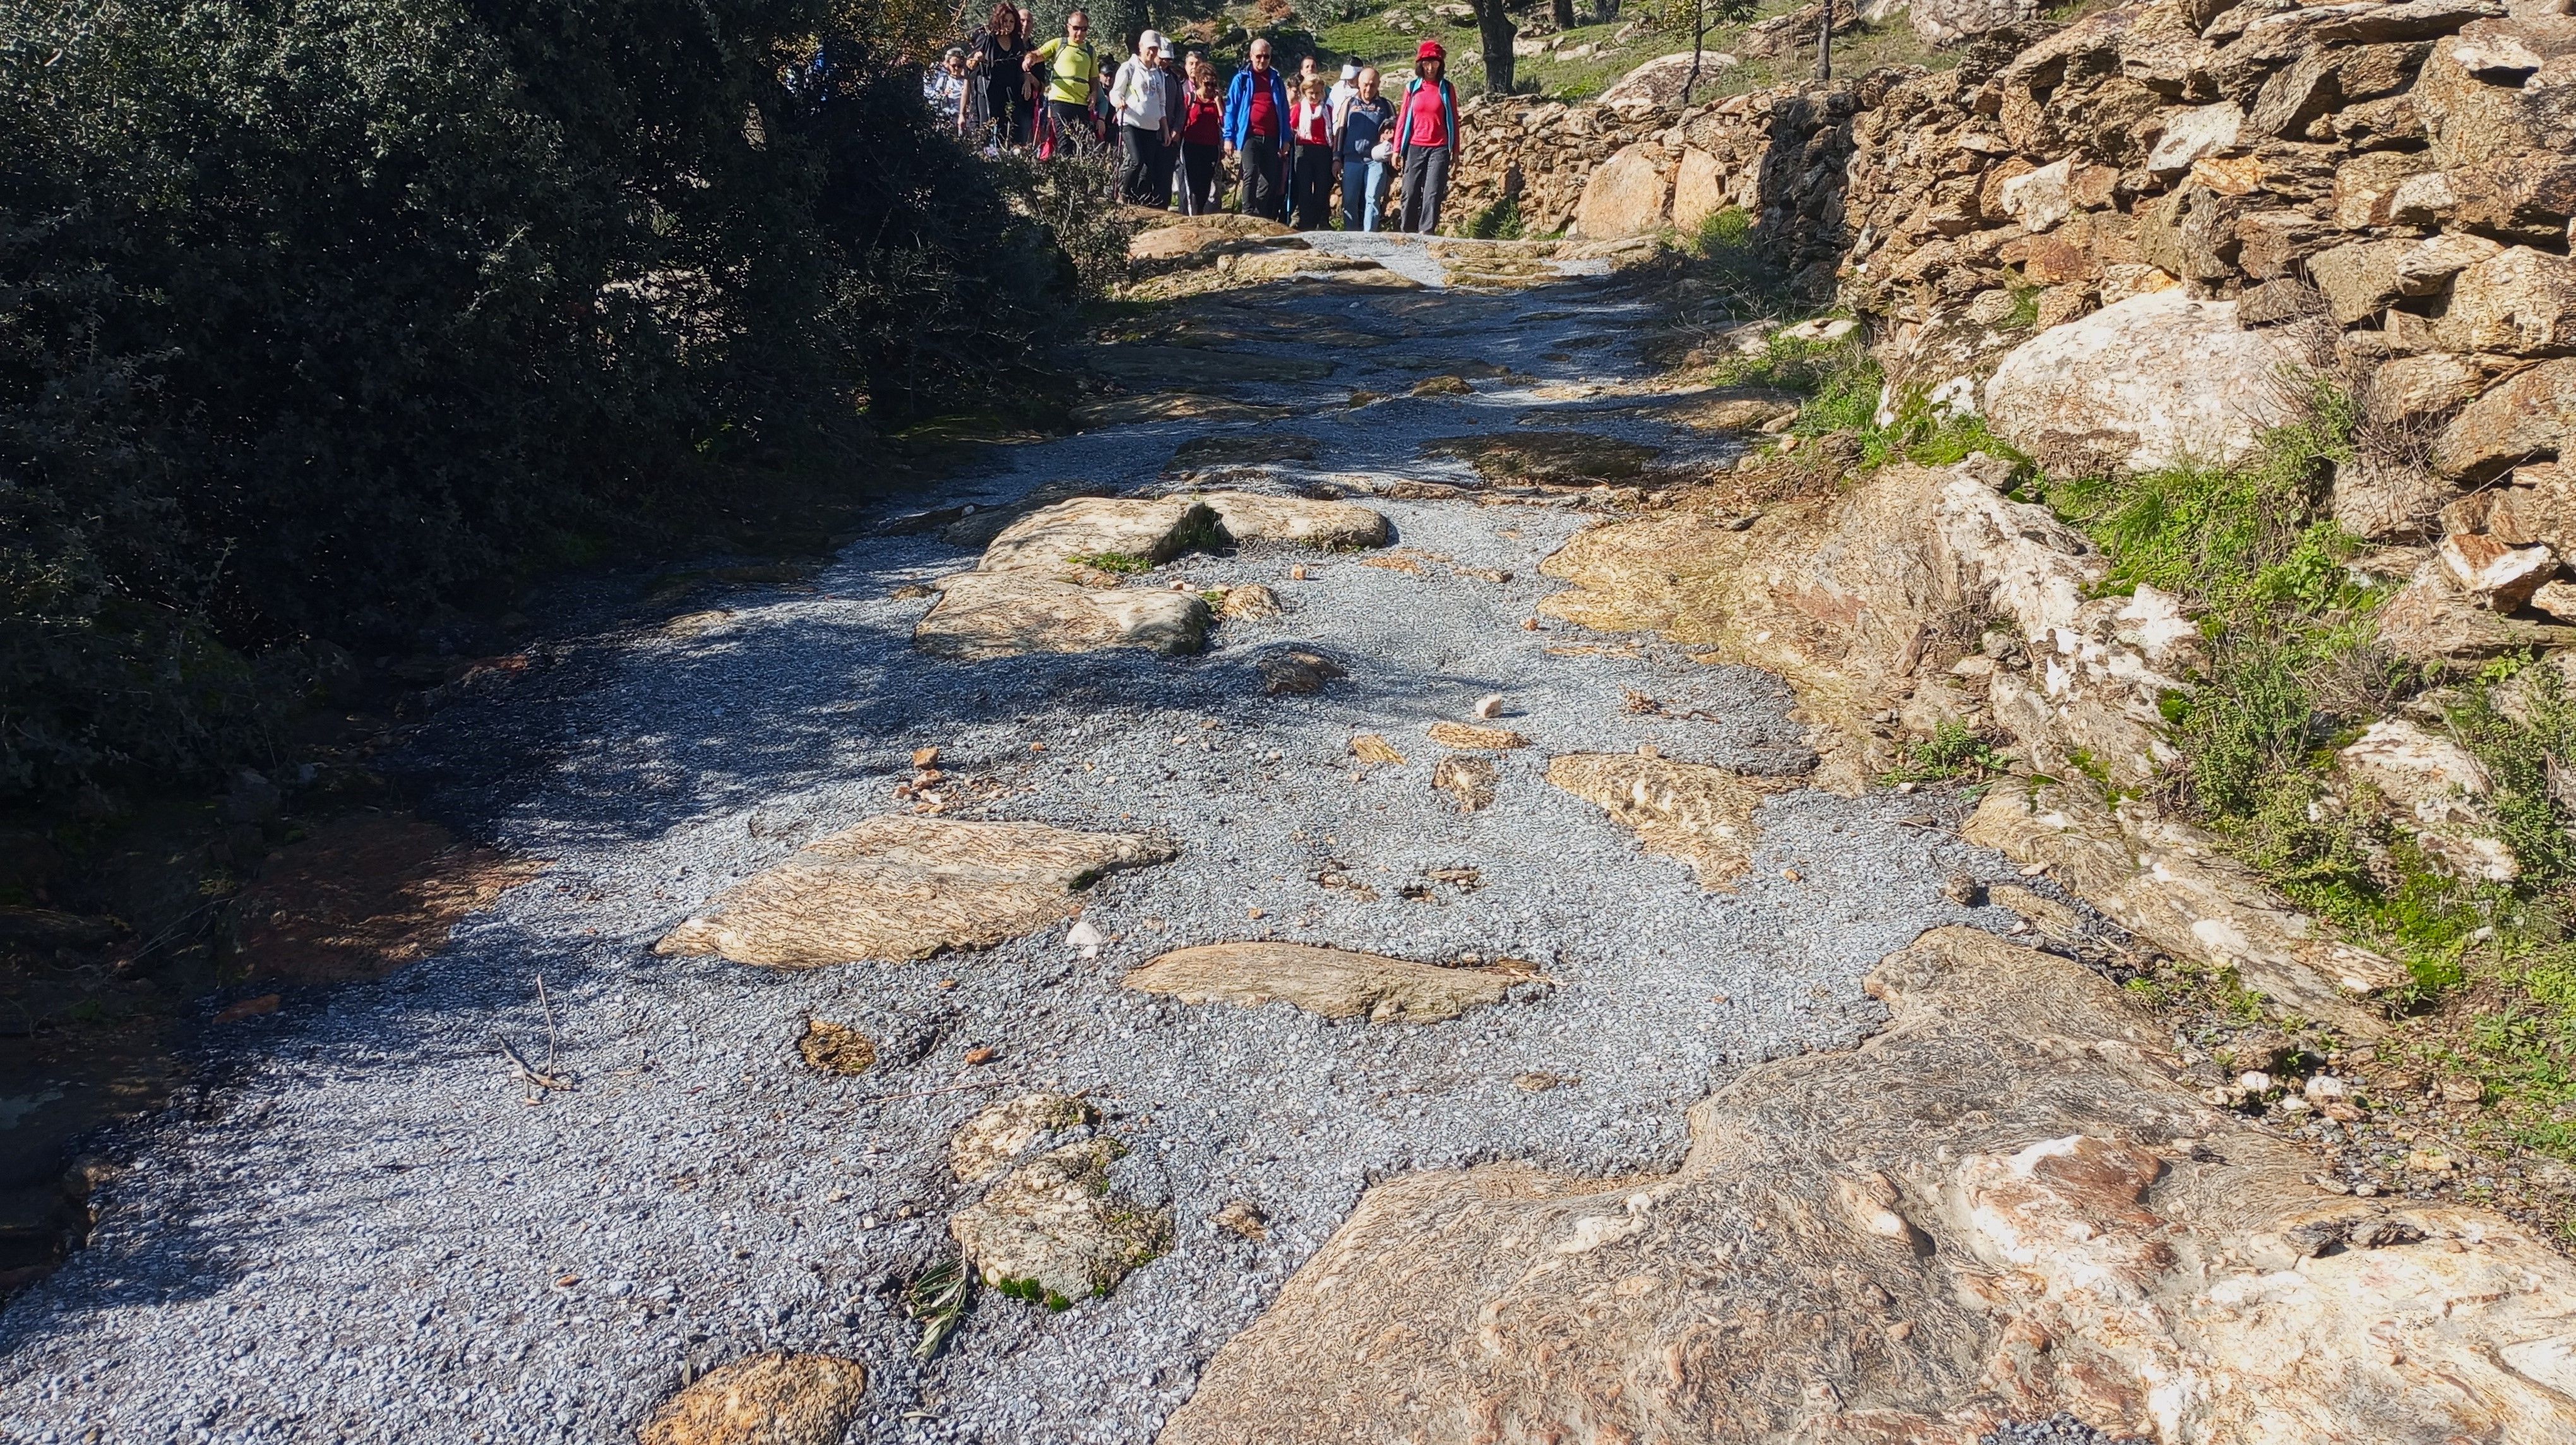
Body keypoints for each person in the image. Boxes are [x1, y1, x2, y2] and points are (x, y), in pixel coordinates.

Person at [1224, 39, 1292, 221]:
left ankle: (1260, 214)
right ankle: (1247, 212)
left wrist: (1286, 138)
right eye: (1259, 56)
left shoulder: (1276, 80)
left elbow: (1284, 110)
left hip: (1271, 136)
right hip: (1250, 135)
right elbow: (1232, 109)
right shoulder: (1242, 79)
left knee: (1270, 180)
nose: (1262, 60)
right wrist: (1228, 137)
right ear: (1251, 56)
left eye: (1266, 56)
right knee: (1251, 173)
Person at [1396, 39, 1460, 234]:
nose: (1430, 67)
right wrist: (1397, 149)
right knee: (1410, 191)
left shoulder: (1447, 89)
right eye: (1426, 63)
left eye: (1434, 62)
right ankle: (1408, 231)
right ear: (1420, 64)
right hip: (1415, 145)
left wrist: (1455, 151)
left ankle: (1427, 231)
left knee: (1432, 192)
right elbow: (1403, 118)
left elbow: (1454, 121)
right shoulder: (1412, 88)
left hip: (1439, 147)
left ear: (1440, 64)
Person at [1029, 10, 1104, 157]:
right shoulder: (1059, 44)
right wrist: (1029, 60)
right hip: (1060, 101)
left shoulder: (1090, 51)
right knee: (1064, 142)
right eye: (1076, 28)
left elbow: (1094, 77)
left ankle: (1075, 177)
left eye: (1084, 29)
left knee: (1080, 146)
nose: (1080, 33)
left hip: (1082, 104)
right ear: (1068, 27)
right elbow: (1037, 54)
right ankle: (1063, 177)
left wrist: (1094, 93)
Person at [1111, 32, 1171, 204]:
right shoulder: (1128, 68)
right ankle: (1123, 194)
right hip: (1131, 122)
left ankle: (1139, 200)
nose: (1152, 52)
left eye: (1155, 48)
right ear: (1141, 46)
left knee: (1148, 168)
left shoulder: (1158, 75)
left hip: (1151, 127)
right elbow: (1115, 93)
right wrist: (1119, 101)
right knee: (1137, 161)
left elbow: (1162, 105)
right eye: (1149, 48)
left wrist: (1165, 130)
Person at [963, 3, 1033, 147]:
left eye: (1012, 21)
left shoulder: (1017, 42)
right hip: (989, 92)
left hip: (1009, 93)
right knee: (985, 129)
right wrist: (977, 58)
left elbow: (1022, 67)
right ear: (998, 20)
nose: (1008, 25)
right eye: (1005, 21)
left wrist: (1027, 79)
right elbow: (969, 66)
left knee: (1008, 130)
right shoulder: (988, 38)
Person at [1336, 66, 1395, 232]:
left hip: (1375, 160)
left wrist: (1388, 137)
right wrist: (1336, 158)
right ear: (1358, 84)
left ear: (1378, 85)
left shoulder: (1386, 105)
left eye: (1373, 85)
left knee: (1373, 199)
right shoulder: (1349, 104)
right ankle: (1351, 236)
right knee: (1349, 201)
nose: (1369, 89)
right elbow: (1341, 131)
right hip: (1352, 160)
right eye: (1365, 84)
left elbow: (1394, 129)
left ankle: (1370, 237)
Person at [1177, 66, 1225, 215]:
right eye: (1207, 84)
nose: (1210, 88)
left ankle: (1199, 214)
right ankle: (1190, 215)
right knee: (1192, 185)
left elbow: (1224, 122)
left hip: (1210, 148)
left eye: (1213, 84)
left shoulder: (1217, 101)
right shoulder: (1190, 99)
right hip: (1191, 147)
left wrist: (1218, 102)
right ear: (1199, 82)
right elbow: (1181, 121)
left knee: (1205, 186)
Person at [1289, 75, 1336, 230]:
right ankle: (1305, 225)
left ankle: (1317, 222)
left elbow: (1332, 131)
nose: (1314, 97)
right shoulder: (1299, 108)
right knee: (1304, 190)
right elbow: (1291, 127)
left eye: (1318, 93)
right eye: (1311, 93)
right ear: (1305, 92)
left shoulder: (1327, 109)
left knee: (1322, 189)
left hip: (1323, 151)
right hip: (1304, 150)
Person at [925, 47, 969, 130]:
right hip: (946, 120)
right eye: (954, 66)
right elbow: (933, 98)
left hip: (963, 122)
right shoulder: (944, 80)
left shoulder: (966, 81)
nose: (956, 69)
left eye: (959, 66)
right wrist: (943, 94)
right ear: (948, 64)